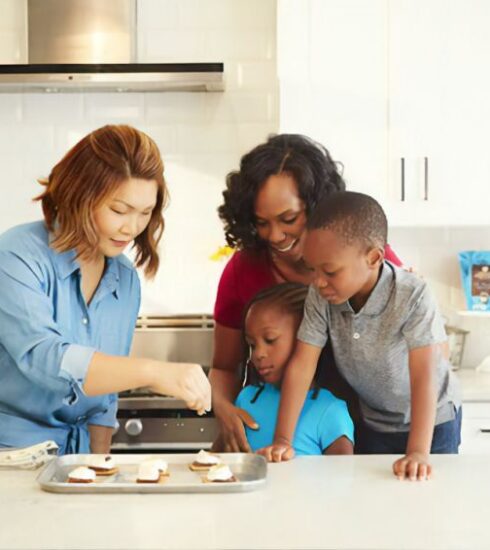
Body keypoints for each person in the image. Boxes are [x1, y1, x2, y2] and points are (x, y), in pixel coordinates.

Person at [0, 124, 211, 455]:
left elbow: (102, 401)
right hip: (11, 457)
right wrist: (153, 372)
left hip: (77, 459)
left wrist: (98, 469)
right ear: (80, 196)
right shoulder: (16, 255)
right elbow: (44, 358)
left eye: (145, 213)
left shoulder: (124, 279)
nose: (132, 228)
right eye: (119, 210)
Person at [210, 134, 402, 452]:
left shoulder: (363, 257)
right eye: (261, 222)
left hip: (369, 426)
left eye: (288, 219)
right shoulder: (243, 269)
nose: (274, 235)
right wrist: (223, 408)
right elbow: (224, 366)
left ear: (317, 207)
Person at [259, 191, 461, 481]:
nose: (318, 281)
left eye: (329, 271)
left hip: (433, 423)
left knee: (425, 504)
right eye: (313, 269)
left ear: (374, 257)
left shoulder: (412, 295)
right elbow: (303, 364)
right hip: (374, 421)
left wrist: (417, 452)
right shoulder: (321, 295)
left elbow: (424, 376)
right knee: (371, 506)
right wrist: (283, 441)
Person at [231, 282, 353, 455]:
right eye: (252, 345)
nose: (258, 354)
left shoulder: (330, 409)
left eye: (270, 340)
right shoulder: (246, 399)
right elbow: (221, 460)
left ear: (307, 340)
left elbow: (344, 478)